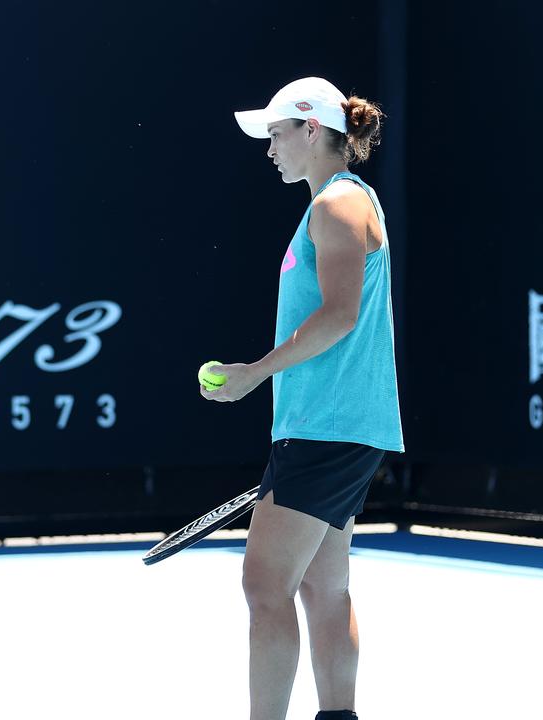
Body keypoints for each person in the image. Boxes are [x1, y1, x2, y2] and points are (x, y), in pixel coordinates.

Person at [203, 77, 404, 720]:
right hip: (336, 425)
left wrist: (255, 372)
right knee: (324, 586)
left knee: (264, 584)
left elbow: (340, 315)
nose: (269, 148)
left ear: (311, 130)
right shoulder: (343, 202)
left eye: (275, 133)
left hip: (327, 426)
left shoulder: (336, 206)